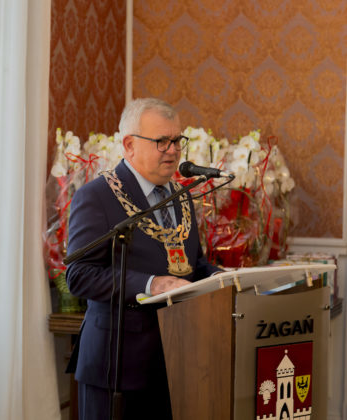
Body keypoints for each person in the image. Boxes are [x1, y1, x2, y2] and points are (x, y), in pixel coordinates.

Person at [66, 97, 221, 419]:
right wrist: (151, 284)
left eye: (177, 140)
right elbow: (79, 275)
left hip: (178, 357)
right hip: (117, 363)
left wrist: (223, 278)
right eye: (162, 141)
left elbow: (193, 265)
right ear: (129, 145)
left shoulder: (180, 195)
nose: (173, 151)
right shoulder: (97, 196)